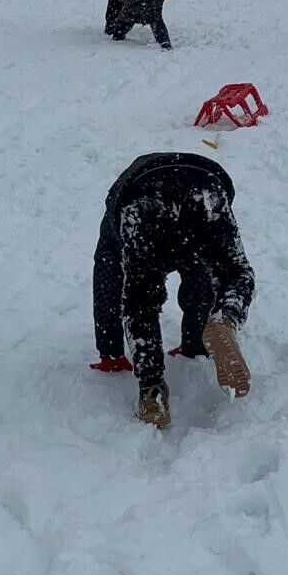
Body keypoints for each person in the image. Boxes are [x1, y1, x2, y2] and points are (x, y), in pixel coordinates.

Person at [90, 153, 256, 428]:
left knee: (141, 297)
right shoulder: (209, 187)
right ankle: (222, 320)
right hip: (205, 190)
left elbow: (106, 278)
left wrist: (110, 351)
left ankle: (151, 389)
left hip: (142, 201)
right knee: (232, 270)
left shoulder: (119, 214)